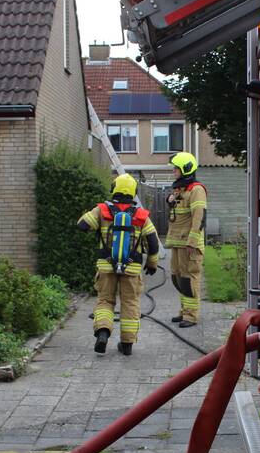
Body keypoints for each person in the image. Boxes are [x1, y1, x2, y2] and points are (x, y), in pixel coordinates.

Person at [77, 173, 160, 355]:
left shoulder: (102, 210)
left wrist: (98, 219)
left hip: (106, 267)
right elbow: (153, 243)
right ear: (133, 192)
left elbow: (82, 225)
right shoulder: (141, 215)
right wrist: (152, 263)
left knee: (105, 300)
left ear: (113, 188)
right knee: (130, 303)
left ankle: (103, 332)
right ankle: (127, 345)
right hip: (132, 268)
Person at [165, 152, 207, 328]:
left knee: (189, 278)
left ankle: (191, 316)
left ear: (185, 169)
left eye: (176, 168)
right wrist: (170, 201)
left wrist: (192, 241)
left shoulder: (196, 190)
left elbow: (199, 216)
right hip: (177, 242)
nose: (174, 171)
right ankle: (184, 311)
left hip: (189, 244)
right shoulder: (180, 190)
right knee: (178, 278)